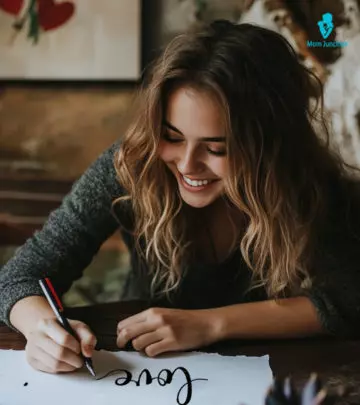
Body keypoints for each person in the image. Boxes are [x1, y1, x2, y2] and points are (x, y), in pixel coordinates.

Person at [1, 20, 360, 375]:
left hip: (263, 374)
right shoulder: (133, 165)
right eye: (171, 136)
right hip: (147, 371)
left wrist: (212, 324)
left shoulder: (309, 186)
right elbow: (20, 277)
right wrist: (42, 330)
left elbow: (350, 300)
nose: (188, 165)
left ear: (271, 148)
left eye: (216, 148)